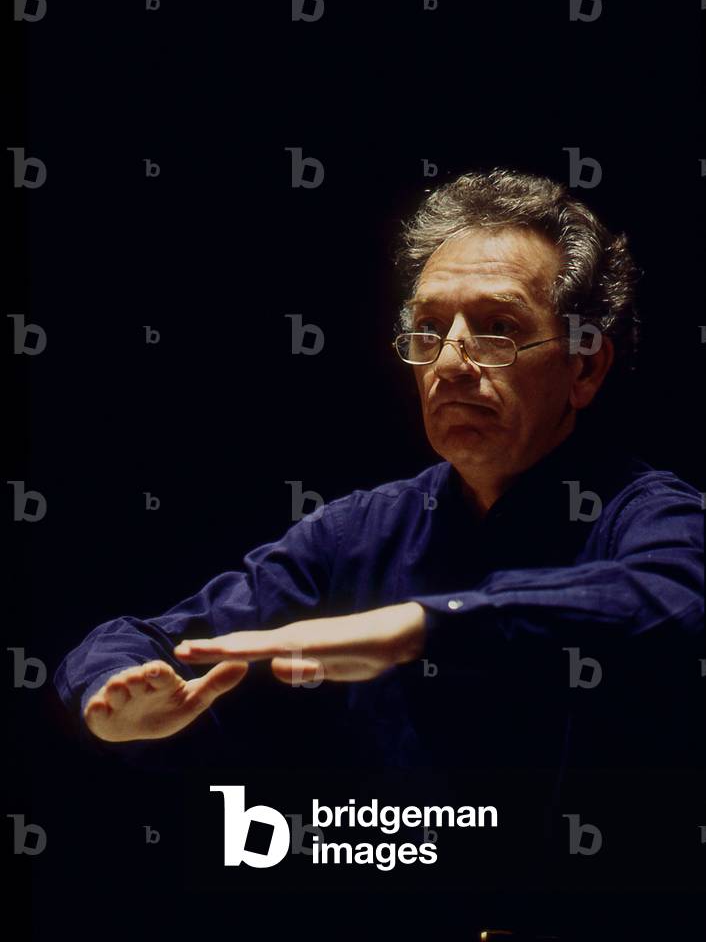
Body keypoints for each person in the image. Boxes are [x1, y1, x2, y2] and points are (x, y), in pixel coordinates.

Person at [53, 169, 703, 799]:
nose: (449, 361)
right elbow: (146, 640)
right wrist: (113, 693)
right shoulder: (357, 534)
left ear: (585, 367)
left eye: (497, 328)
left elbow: (670, 600)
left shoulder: (649, 514)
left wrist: (422, 625)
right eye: (429, 330)